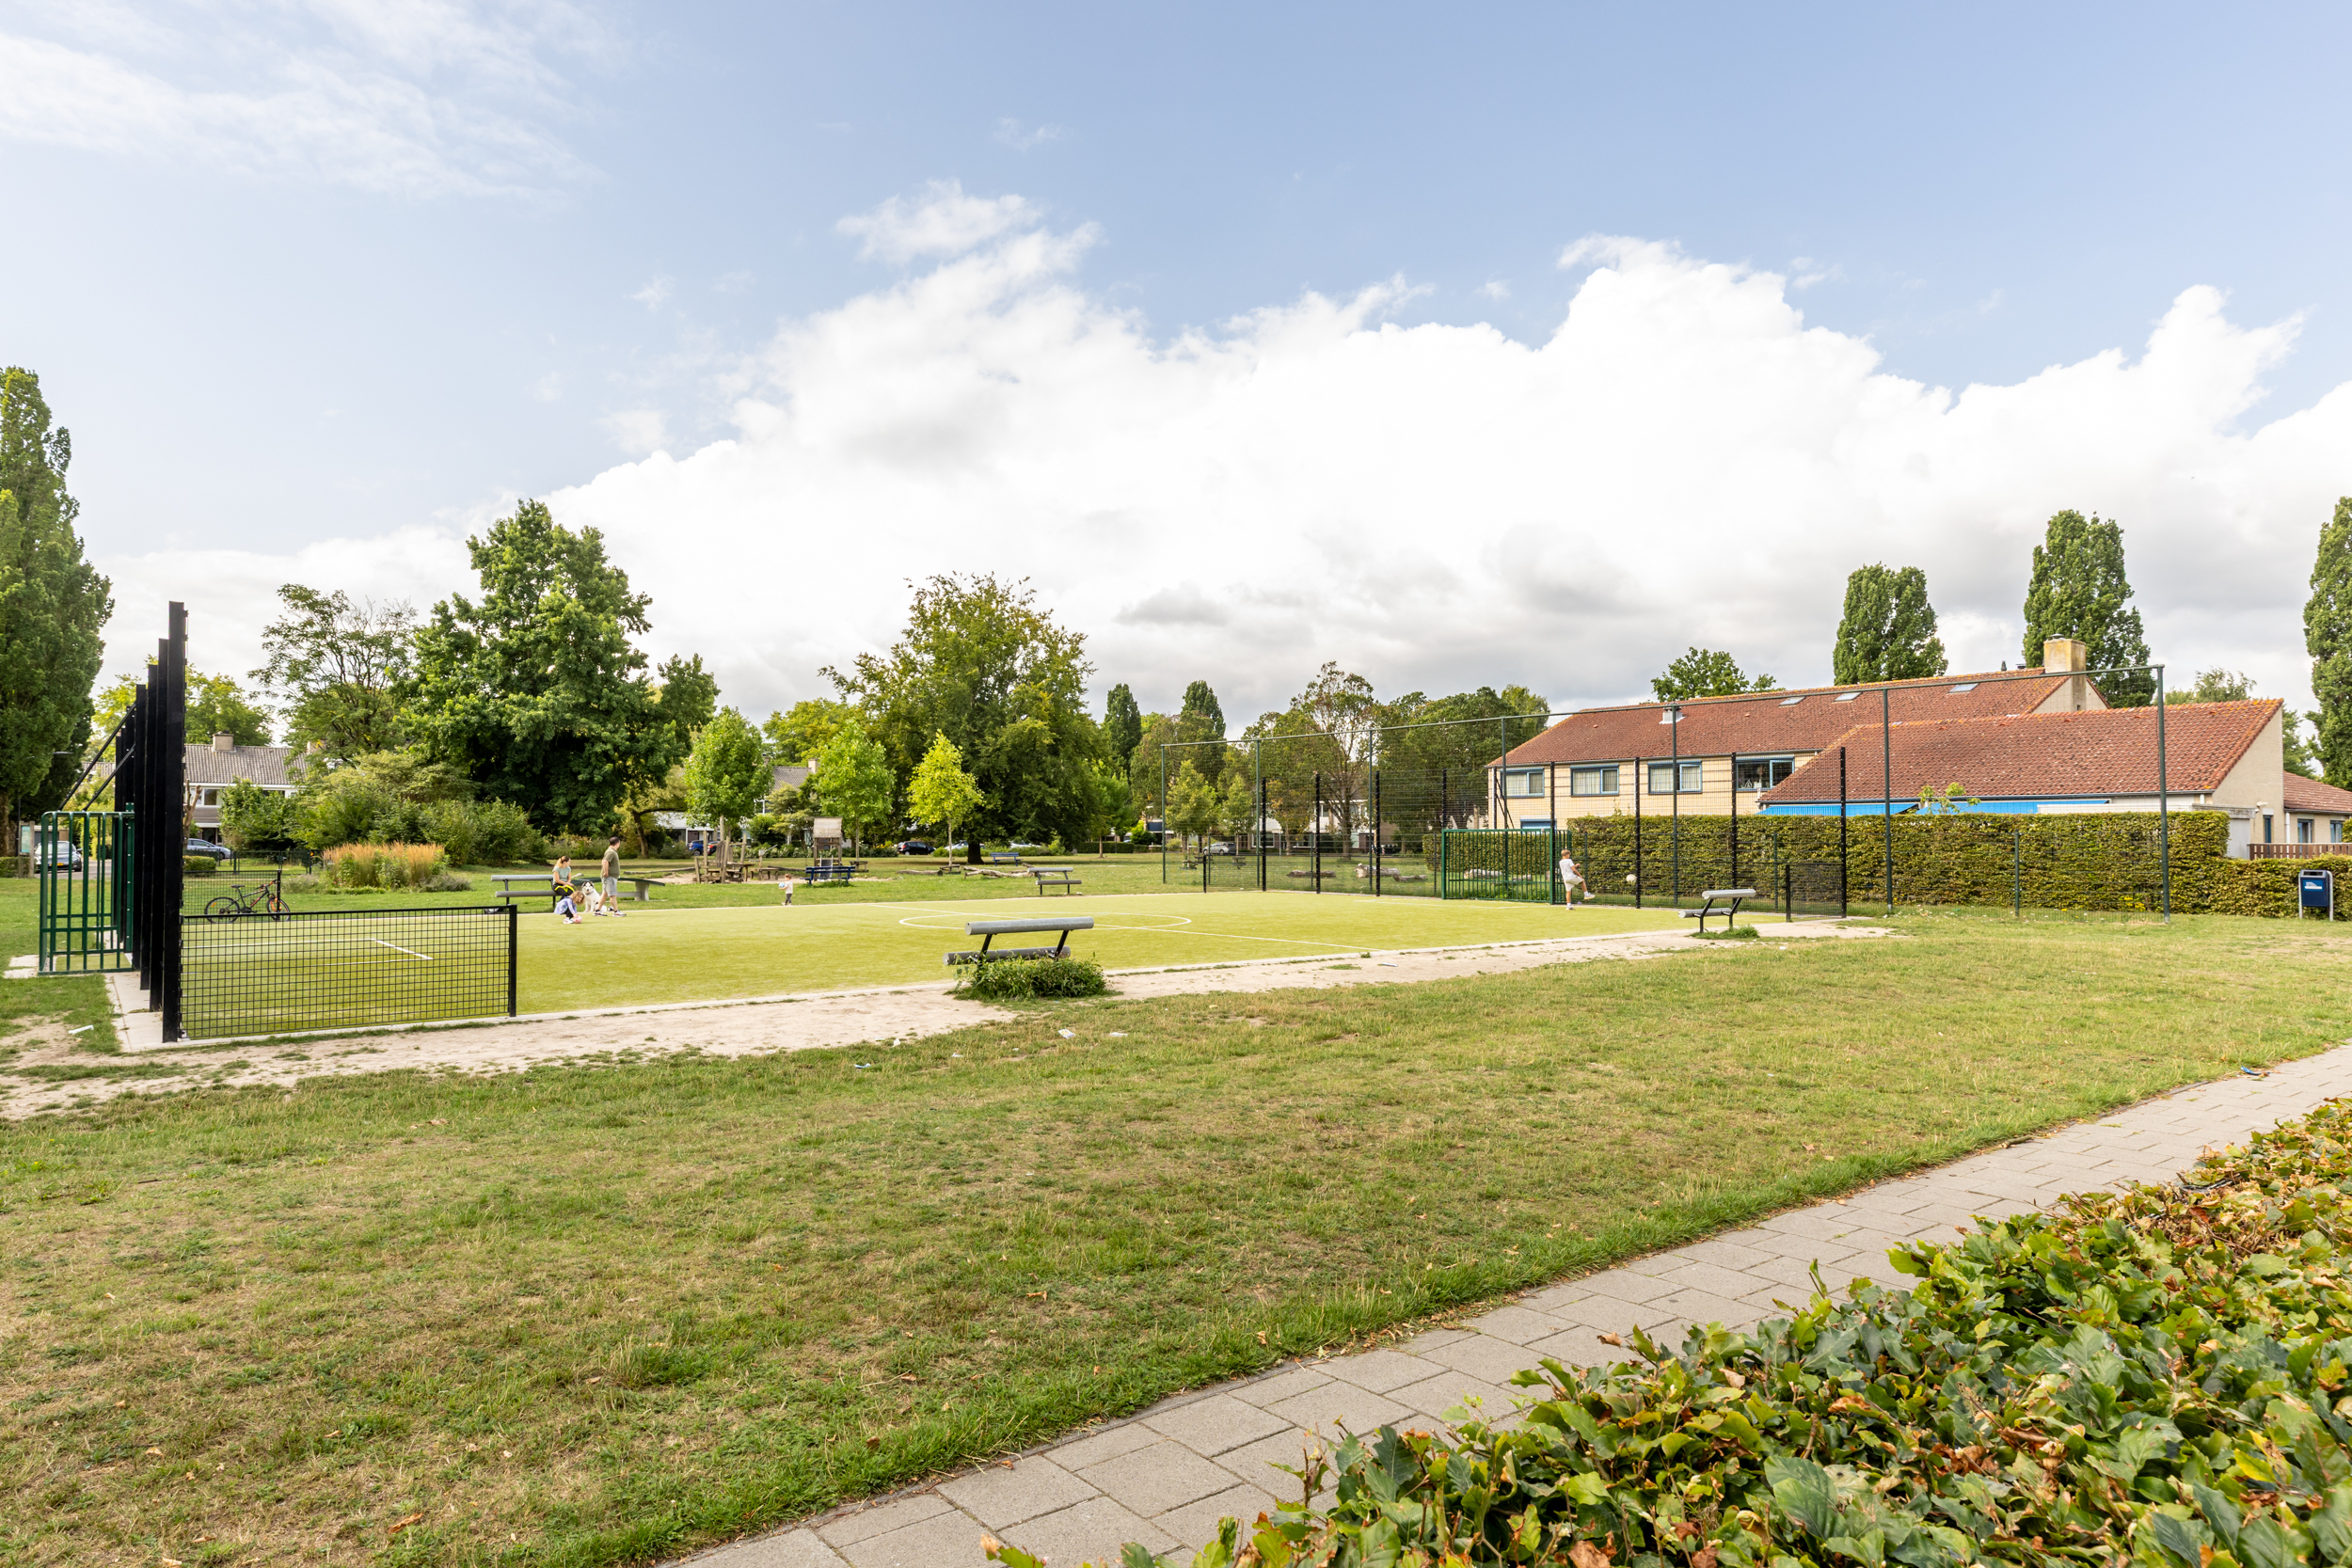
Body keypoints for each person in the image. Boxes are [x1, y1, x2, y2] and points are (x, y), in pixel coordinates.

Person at [551, 854, 582, 924]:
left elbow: (569, 878)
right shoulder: (556, 869)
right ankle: (561, 906)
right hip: (557, 885)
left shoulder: (568, 868)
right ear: (565, 862)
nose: (569, 863)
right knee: (564, 893)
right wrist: (565, 883)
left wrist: (567, 884)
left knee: (572, 894)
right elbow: (557, 880)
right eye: (569, 862)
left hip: (566, 884)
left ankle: (569, 915)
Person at [598, 835, 625, 917]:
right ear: (617, 843)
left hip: (611, 877)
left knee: (605, 894)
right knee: (612, 894)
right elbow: (605, 861)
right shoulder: (611, 852)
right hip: (610, 877)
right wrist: (606, 872)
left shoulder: (611, 851)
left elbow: (604, 861)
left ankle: (597, 910)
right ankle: (616, 911)